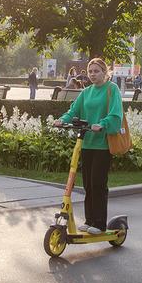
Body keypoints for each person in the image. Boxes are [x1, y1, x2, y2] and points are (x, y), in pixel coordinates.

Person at [53, 58, 124, 234]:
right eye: (90, 71)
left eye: (96, 71)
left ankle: (99, 224)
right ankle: (89, 220)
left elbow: (116, 114)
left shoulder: (111, 89)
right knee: (87, 185)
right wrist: (62, 120)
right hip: (87, 143)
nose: (92, 74)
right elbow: (73, 111)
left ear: (104, 72)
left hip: (102, 145)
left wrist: (103, 124)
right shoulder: (86, 92)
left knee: (98, 184)